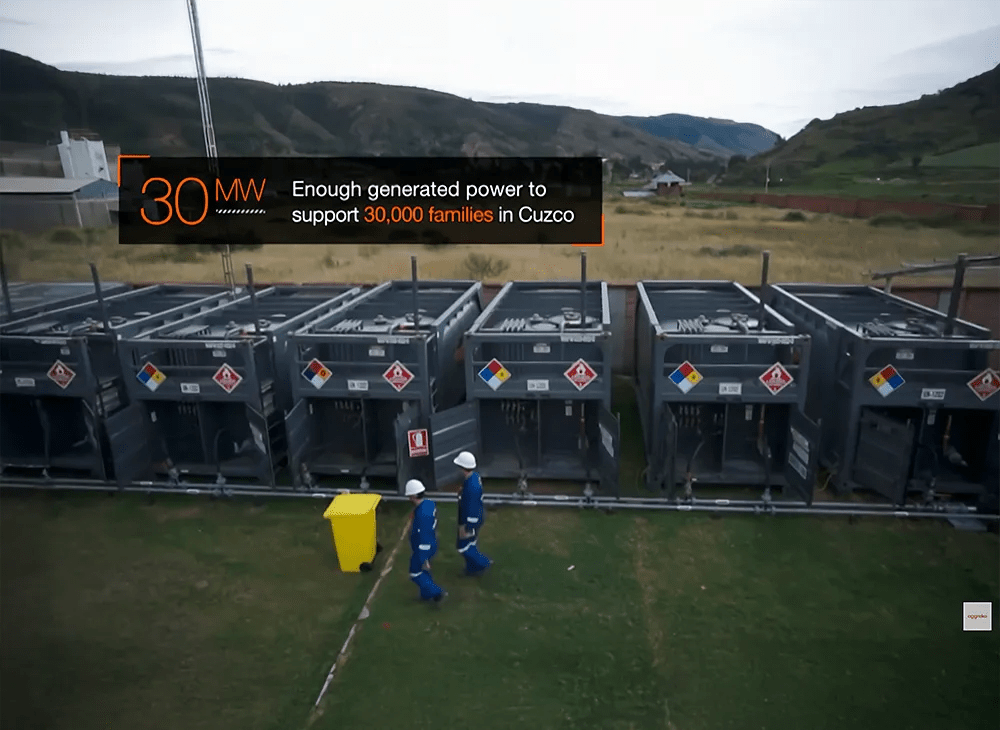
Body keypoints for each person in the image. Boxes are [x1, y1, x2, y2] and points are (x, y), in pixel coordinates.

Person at [405, 479, 446, 603]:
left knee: (415, 572)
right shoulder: (428, 504)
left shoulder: (422, 514)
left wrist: (424, 558)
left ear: (413, 496)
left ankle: (437, 592)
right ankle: (425, 595)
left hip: (424, 547)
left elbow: (423, 536)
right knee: (424, 571)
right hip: (431, 542)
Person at [453, 451, 492, 576]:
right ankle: (471, 569)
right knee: (471, 542)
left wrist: (468, 527)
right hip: (475, 517)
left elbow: (472, 508)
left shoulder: (471, 487)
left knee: (464, 546)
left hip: (470, 520)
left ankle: (483, 563)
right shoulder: (474, 478)